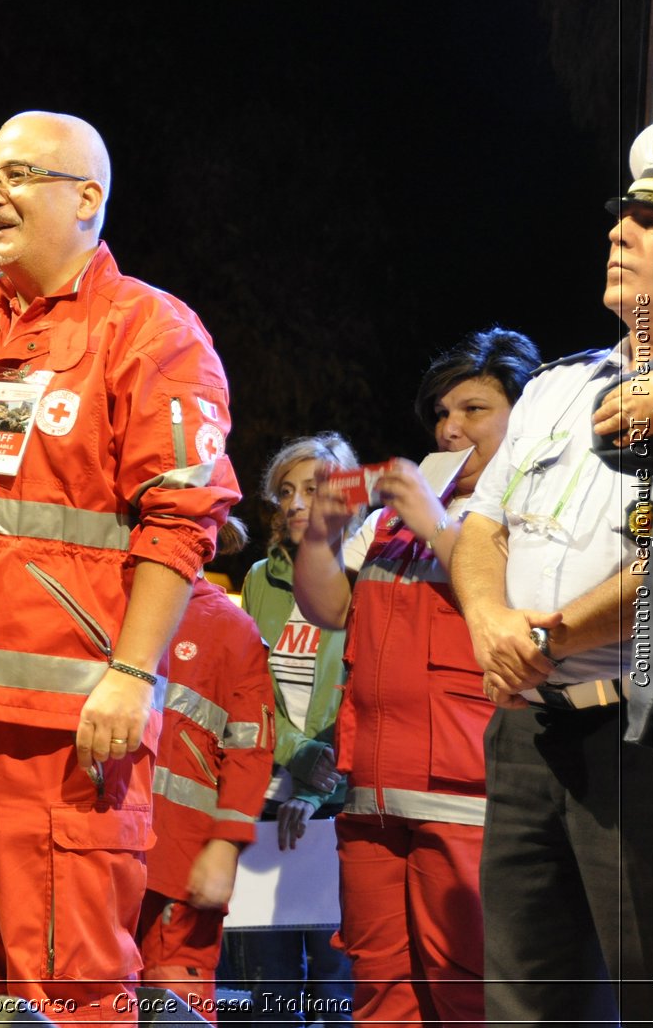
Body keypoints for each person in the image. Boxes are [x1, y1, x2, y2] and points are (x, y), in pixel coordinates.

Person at [0, 111, 239, 1019]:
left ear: (87, 198)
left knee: (72, 984)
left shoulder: (148, 329)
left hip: (64, 727)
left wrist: (132, 674)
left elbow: (182, 517)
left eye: (19, 173)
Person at [451, 125, 653, 1026]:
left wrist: (546, 635)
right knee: (527, 1004)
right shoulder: (558, 386)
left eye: (648, 218)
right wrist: (494, 621)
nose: (617, 229)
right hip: (531, 732)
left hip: (642, 735)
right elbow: (482, 527)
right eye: (621, 211)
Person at [292, 329, 539, 1025]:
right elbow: (329, 607)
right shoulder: (389, 526)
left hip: (468, 802)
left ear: (525, 416)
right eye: (441, 412)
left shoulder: (532, 516)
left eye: (474, 409)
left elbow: (516, 604)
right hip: (372, 800)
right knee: (380, 990)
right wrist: (322, 531)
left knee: (464, 990)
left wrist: (436, 524)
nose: (450, 427)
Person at [222, 433, 356, 1027]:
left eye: (314, 489)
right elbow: (249, 694)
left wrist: (316, 783)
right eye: (286, 493)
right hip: (266, 796)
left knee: (337, 983)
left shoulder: (370, 576)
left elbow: (365, 697)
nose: (297, 503)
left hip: (338, 804)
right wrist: (295, 756)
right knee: (267, 985)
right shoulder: (257, 580)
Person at [136, 518, 272, 1022]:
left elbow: (250, 747)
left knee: (176, 1006)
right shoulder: (103, 597)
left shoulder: (232, 628)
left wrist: (225, 846)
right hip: (95, 850)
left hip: (180, 864)